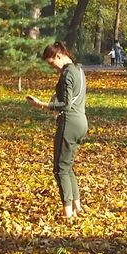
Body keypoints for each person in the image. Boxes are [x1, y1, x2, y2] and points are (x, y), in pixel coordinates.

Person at [26, 41, 88, 219]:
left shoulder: (67, 73)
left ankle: (67, 212)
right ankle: (77, 207)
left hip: (69, 123)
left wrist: (42, 104)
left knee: (60, 169)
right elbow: (74, 97)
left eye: (52, 63)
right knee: (67, 167)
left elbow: (66, 104)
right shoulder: (79, 70)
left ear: (59, 55)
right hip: (81, 122)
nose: (53, 68)